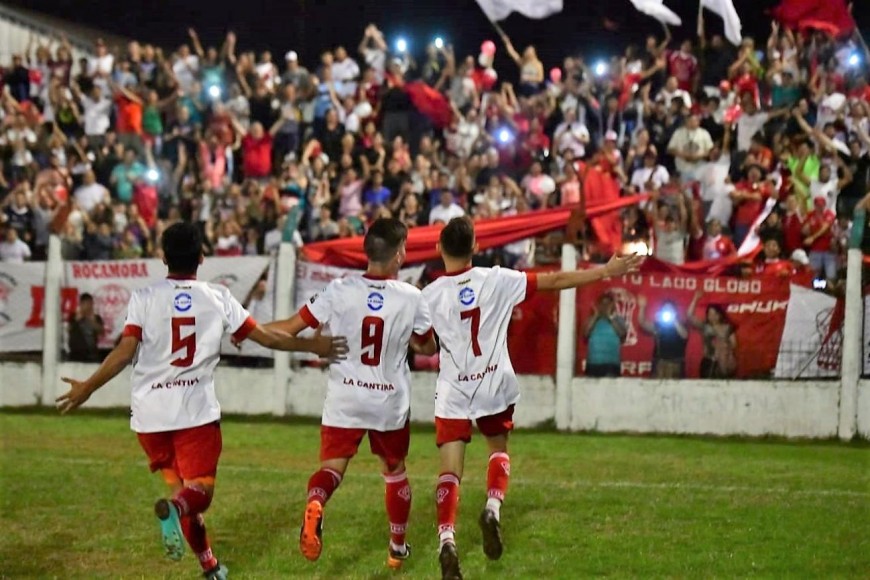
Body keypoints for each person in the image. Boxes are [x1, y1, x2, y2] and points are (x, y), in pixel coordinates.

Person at [55, 223, 348, 580]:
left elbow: (124, 351)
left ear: (163, 257)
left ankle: (210, 567)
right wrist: (311, 346)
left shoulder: (144, 297)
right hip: (194, 415)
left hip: (150, 419)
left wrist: (88, 387)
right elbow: (268, 339)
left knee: (186, 494)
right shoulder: (217, 297)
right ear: (202, 257)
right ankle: (176, 511)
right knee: (199, 495)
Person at [421, 217, 643, 579]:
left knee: (450, 472)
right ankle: (492, 507)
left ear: (438, 249)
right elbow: (555, 280)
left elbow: (425, 344)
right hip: (492, 381)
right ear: (475, 247)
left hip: (453, 388)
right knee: (498, 449)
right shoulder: (497, 278)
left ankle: (447, 541)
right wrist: (605, 270)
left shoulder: (429, 295)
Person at [259, 218, 436, 570]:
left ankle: (317, 501)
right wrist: (413, 339)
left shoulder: (339, 289)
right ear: (400, 254)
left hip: (346, 397)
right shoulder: (412, 297)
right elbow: (429, 346)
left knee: (332, 468)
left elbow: (291, 327)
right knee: (395, 471)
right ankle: (397, 548)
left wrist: (250, 331)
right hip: (388, 401)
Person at [687, 290, 737, 378]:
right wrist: (695, 299)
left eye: (714, 314)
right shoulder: (705, 326)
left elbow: (734, 344)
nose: (712, 316)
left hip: (723, 362)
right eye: (710, 314)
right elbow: (689, 316)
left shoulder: (727, 328)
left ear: (720, 315)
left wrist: (722, 347)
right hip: (708, 361)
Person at [636, 296, 688, 379]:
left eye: (670, 309)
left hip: (676, 364)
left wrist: (674, 320)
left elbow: (684, 335)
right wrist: (642, 307)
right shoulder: (659, 325)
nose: (668, 311)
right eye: (665, 309)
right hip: (660, 363)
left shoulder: (681, 324)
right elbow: (642, 323)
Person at [584, 292, 628, 377]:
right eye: (603, 304)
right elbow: (586, 334)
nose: (605, 306)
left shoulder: (618, 320)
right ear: (598, 305)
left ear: (613, 306)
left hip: (611, 363)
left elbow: (622, 334)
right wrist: (595, 316)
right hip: (593, 363)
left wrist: (610, 317)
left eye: (608, 304)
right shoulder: (591, 320)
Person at [67, 293, 104, 362]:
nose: (88, 306)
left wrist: (92, 321)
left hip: (92, 354)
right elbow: (68, 329)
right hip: (76, 354)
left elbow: (101, 332)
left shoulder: (96, 318)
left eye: (90, 304)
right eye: (85, 304)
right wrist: (76, 320)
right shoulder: (73, 316)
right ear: (81, 304)